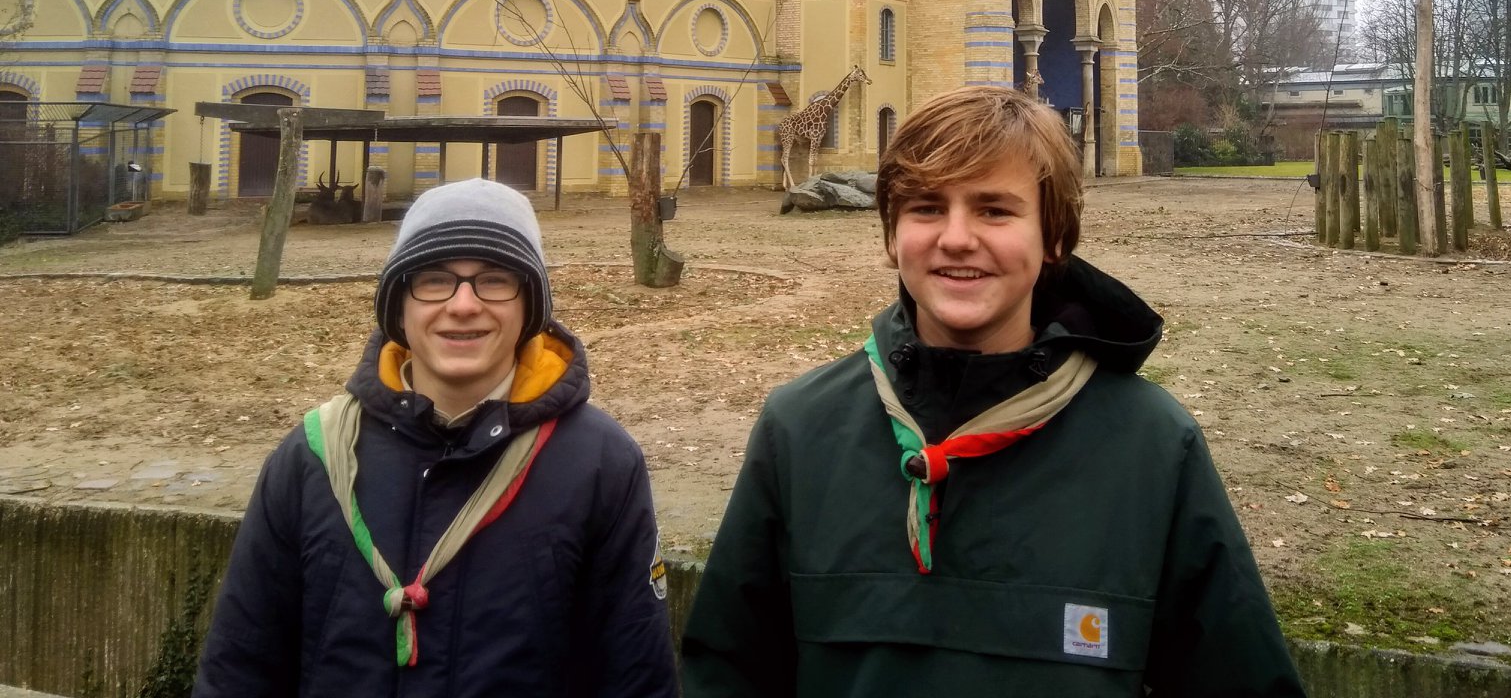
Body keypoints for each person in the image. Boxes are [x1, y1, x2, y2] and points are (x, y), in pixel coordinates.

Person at [681, 85, 1306, 697]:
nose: (956, 237)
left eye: (994, 210)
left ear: (1054, 237)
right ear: (892, 234)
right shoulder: (801, 430)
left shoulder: (1152, 447)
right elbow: (727, 669)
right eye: (927, 207)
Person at [193, 178, 677, 697]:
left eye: (494, 279)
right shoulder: (312, 457)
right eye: (433, 279)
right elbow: (240, 668)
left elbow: (636, 676)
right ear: (399, 306)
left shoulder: (598, 464)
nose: (463, 304)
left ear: (529, 307)